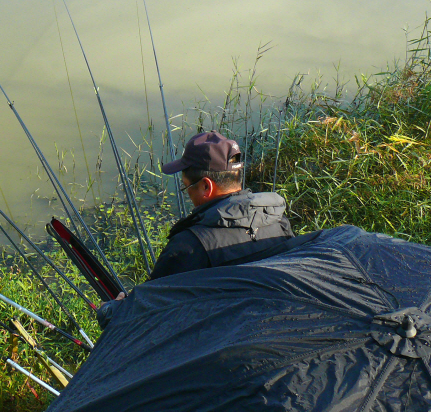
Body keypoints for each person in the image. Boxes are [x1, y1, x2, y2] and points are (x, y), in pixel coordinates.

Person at [97, 130, 295, 328]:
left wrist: (111, 311)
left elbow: (144, 311)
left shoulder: (190, 245)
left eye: (186, 187)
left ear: (206, 187)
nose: (188, 195)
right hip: (277, 327)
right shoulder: (277, 220)